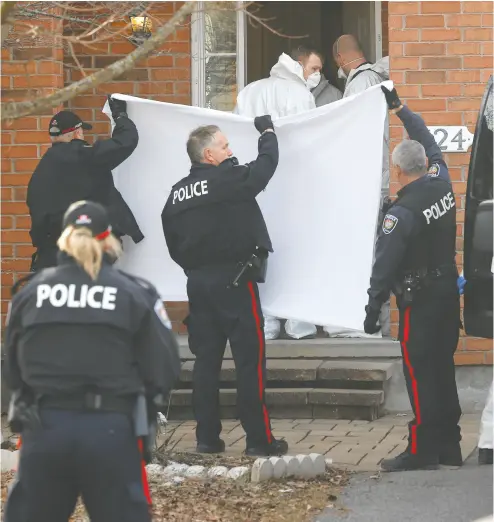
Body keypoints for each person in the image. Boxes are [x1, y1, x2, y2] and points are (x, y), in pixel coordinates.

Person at [3, 200, 180, 521]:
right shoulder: (135, 293)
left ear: (64, 240)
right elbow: (164, 367)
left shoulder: (29, 294)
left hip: (44, 429)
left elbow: (10, 366)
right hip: (111, 430)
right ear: (108, 240)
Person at [161, 117, 288, 457]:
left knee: (205, 362)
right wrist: (268, 134)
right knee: (249, 360)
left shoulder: (176, 195)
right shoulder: (225, 179)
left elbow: (172, 245)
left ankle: (207, 438)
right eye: (225, 146)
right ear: (209, 155)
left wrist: (198, 270)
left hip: (199, 285)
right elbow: (264, 169)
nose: (230, 151)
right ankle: (259, 440)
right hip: (235, 282)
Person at [364, 86, 462, 472]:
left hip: (418, 303)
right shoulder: (441, 180)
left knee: (420, 375)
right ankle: (450, 447)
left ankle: (421, 450)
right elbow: (427, 138)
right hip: (445, 296)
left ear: (401, 172)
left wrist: (372, 309)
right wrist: (401, 109)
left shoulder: (401, 213)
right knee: (443, 369)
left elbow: (383, 266)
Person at [235, 46, 325, 340]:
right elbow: (312, 143)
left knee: (260, 249)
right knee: (295, 252)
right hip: (293, 186)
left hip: (255, 183)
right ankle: (298, 322)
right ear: (298, 65)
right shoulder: (301, 96)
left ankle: (266, 320)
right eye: (314, 69)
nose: (318, 76)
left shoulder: (249, 92)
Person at [26, 97, 144, 272]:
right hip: (85, 252)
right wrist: (121, 117)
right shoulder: (82, 156)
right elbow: (124, 142)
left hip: (50, 255)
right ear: (76, 133)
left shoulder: (41, 169)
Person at [328, 34, 391, 338]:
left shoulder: (358, 84)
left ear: (340, 58)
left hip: (369, 179)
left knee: (367, 251)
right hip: (383, 176)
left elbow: (354, 135)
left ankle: (367, 323)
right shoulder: (379, 77)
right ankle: (377, 321)